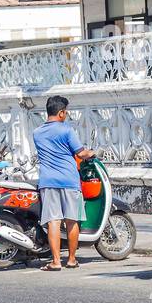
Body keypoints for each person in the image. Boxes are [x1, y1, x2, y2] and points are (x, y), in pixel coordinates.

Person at [32, 95, 94, 271]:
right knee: (72, 221)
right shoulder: (67, 130)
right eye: (65, 112)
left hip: (48, 180)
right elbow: (80, 153)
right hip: (69, 179)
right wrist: (91, 152)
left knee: (53, 221)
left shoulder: (37, 133)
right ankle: (72, 259)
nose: (66, 115)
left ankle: (56, 261)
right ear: (61, 113)